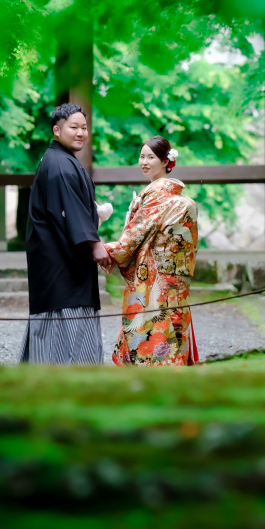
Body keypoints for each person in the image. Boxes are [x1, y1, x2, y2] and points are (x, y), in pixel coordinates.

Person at [20, 102, 112, 366]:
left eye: (84, 127)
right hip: (61, 265)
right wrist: (95, 244)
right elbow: (71, 210)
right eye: (74, 127)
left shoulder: (61, 160)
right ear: (57, 130)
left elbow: (72, 208)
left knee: (55, 327)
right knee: (66, 329)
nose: (81, 132)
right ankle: (71, 384)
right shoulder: (59, 164)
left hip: (59, 261)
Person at [105, 136, 199, 366]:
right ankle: (172, 366)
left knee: (151, 320)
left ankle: (153, 369)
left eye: (151, 157)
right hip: (173, 273)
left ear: (167, 161)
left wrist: (108, 250)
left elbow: (136, 233)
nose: (144, 162)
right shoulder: (168, 193)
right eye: (142, 156)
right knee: (170, 319)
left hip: (155, 273)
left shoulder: (157, 193)